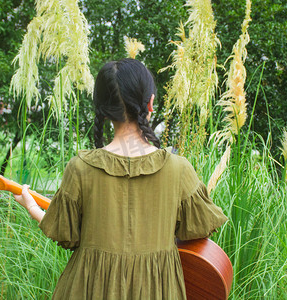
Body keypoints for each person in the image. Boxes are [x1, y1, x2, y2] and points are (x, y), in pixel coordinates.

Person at [14, 58, 228, 300]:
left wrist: (31, 205)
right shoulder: (179, 170)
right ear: (150, 104)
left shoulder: (80, 168)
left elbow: (67, 234)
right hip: (157, 291)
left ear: (104, 108)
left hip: (89, 290)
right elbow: (199, 232)